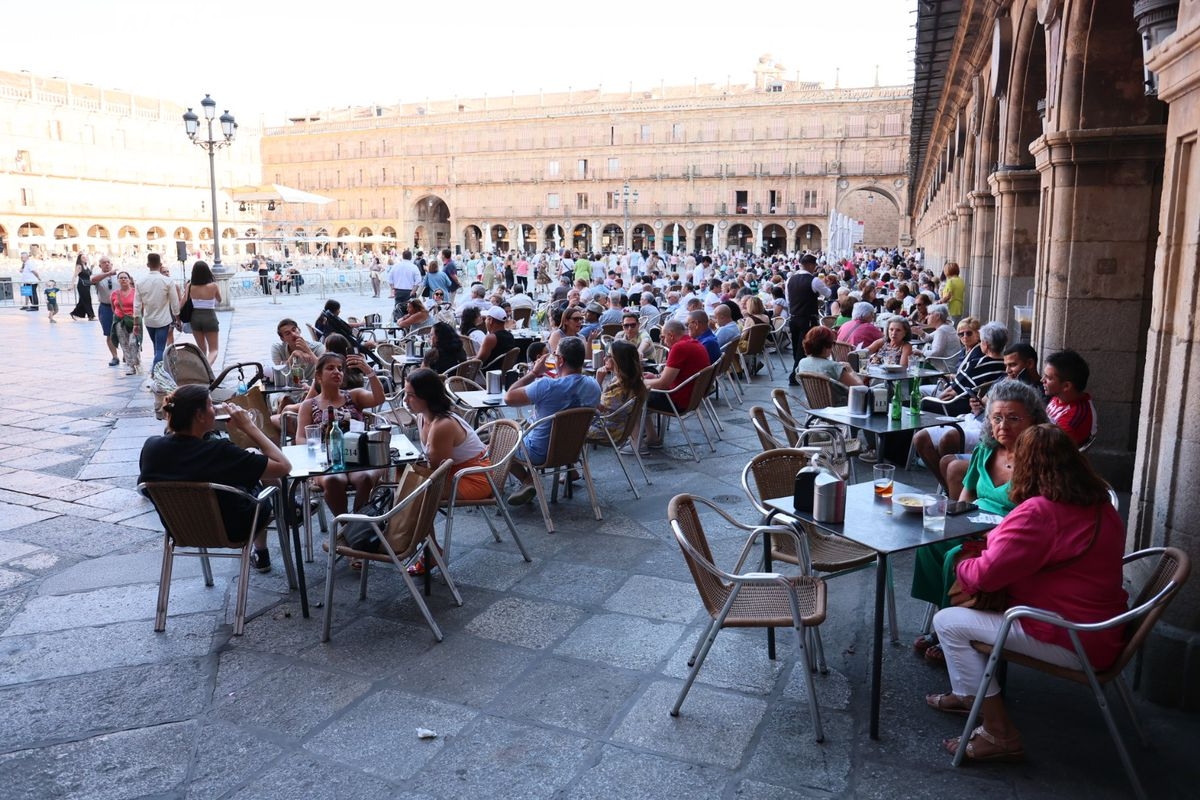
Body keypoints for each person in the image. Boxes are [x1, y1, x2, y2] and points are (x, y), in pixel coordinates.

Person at [927, 424, 1128, 763]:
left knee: (948, 622)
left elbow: (984, 576)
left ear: (1028, 467)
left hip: (1071, 636)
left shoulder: (1041, 512)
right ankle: (967, 694)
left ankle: (999, 731)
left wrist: (962, 564)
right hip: (1105, 629)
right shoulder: (1101, 506)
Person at [911, 380, 1049, 660]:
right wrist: (959, 519)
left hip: (1011, 535)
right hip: (975, 522)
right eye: (996, 418)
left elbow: (1042, 515)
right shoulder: (986, 449)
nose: (1003, 426)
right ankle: (945, 617)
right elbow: (968, 491)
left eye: (1013, 418)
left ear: (1033, 420)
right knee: (930, 544)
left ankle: (952, 632)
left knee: (955, 556)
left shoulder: (1040, 461)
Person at [139, 384, 291, 573]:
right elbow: (284, 467)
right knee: (253, 459)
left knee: (242, 470)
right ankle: (281, 519)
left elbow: (147, 490)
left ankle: (266, 545)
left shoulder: (151, 448)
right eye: (211, 405)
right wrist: (249, 427)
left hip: (180, 529)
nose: (216, 409)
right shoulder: (220, 452)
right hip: (234, 529)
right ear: (199, 415)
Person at [503, 337, 601, 505]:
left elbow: (509, 398)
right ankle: (559, 474)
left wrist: (534, 373)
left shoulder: (546, 386)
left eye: (555, 355)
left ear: (560, 360)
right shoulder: (594, 386)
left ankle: (528, 480)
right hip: (572, 452)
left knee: (500, 438)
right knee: (531, 429)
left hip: (539, 453)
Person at [295, 353, 386, 517]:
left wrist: (369, 371)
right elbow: (300, 437)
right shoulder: (309, 405)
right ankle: (346, 525)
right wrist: (318, 449)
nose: (337, 372)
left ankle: (357, 524)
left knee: (365, 477)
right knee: (333, 480)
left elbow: (379, 399)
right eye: (330, 368)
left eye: (340, 369)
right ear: (318, 376)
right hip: (327, 461)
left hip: (358, 458)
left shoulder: (354, 396)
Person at [642, 320, 710, 448]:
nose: (662, 341)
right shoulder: (695, 343)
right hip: (692, 399)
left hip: (676, 401)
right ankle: (647, 432)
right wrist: (655, 376)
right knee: (643, 391)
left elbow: (663, 384)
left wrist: (639, 382)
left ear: (671, 335)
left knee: (634, 396)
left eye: (663, 337)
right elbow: (671, 376)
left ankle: (645, 438)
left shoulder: (679, 348)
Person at [921, 320, 1007, 415]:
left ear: (985, 344)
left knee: (924, 403)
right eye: (961, 334)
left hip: (965, 407)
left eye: (981, 341)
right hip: (990, 408)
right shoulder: (1007, 365)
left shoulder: (976, 364)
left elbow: (950, 393)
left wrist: (935, 400)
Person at [589, 340, 648, 447]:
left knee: (569, 426)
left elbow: (595, 407)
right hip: (619, 427)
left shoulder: (619, 389)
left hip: (608, 430)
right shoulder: (632, 381)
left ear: (619, 361)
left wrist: (598, 382)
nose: (604, 358)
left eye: (609, 356)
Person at [786, 253, 831, 385]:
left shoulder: (790, 280)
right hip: (807, 318)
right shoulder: (814, 280)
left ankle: (798, 371)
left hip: (793, 317)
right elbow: (828, 293)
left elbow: (788, 300)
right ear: (811, 265)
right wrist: (825, 284)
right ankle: (795, 376)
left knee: (796, 347)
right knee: (804, 347)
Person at [135, 253, 180, 372]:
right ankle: (156, 373)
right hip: (163, 319)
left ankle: (159, 369)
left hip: (149, 320)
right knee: (160, 348)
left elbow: (137, 305)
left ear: (147, 265)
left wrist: (136, 323)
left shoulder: (140, 282)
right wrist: (177, 318)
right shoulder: (167, 281)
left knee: (156, 346)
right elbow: (175, 303)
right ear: (160, 264)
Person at [1042, 349, 1097, 447]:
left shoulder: (1073, 421)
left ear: (1066, 386)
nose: (1042, 380)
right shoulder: (1060, 396)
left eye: (1049, 378)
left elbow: (1047, 450)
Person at [798, 326, 864, 387]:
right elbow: (860, 387)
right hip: (838, 396)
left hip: (812, 396)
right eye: (832, 343)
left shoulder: (802, 362)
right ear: (825, 347)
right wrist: (850, 371)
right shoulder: (834, 367)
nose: (833, 346)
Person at [185, 261, 221, 365]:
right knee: (213, 350)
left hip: (195, 318)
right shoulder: (213, 286)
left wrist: (177, 318)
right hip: (210, 317)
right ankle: (207, 369)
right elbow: (219, 299)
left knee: (201, 350)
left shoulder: (190, 286)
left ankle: (202, 368)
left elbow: (183, 302)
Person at [91, 257, 121, 367]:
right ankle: (115, 356)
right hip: (106, 307)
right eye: (104, 263)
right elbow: (93, 280)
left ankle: (127, 353)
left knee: (123, 331)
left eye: (108, 262)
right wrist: (108, 274)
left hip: (120, 308)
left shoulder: (119, 275)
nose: (107, 264)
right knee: (109, 333)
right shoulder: (98, 276)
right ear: (100, 266)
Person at [111, 270, 142, 376]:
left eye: (125, 278)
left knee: (133, 342)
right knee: (124, 344)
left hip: (134, 320)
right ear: (118, 280)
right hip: (120, 321)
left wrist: (138, 317)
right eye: (121, 278)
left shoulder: (136, 292)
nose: (123, 279)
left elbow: (141, 306)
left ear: (129, 280)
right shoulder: (114, 294)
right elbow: (113, 307)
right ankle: (130, 366)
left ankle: (136, 361)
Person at [387, 249, 422, 322]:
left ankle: (398, 323)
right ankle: (409, 324)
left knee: (398, 309)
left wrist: (393, 289)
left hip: (398, 291)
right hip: (410, 291)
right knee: (411, 311)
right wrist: (414, 291)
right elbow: (418, 281)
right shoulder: (413, 267)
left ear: (402, 256)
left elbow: (389, 279)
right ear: (410, 257)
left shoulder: (396, 266)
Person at [69, 253, 95, 321]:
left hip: (87, 285)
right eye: (83, 257)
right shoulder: (79, 266)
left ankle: (74, 313)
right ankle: (91, 316)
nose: (85, 258)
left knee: (82, 300)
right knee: (87, 300)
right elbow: (75, 275)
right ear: (80, 259)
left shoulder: (86, 266)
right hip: (82, 285)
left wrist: (91, 268)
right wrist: (72, 285)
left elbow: (89, 275)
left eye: (85, 257)